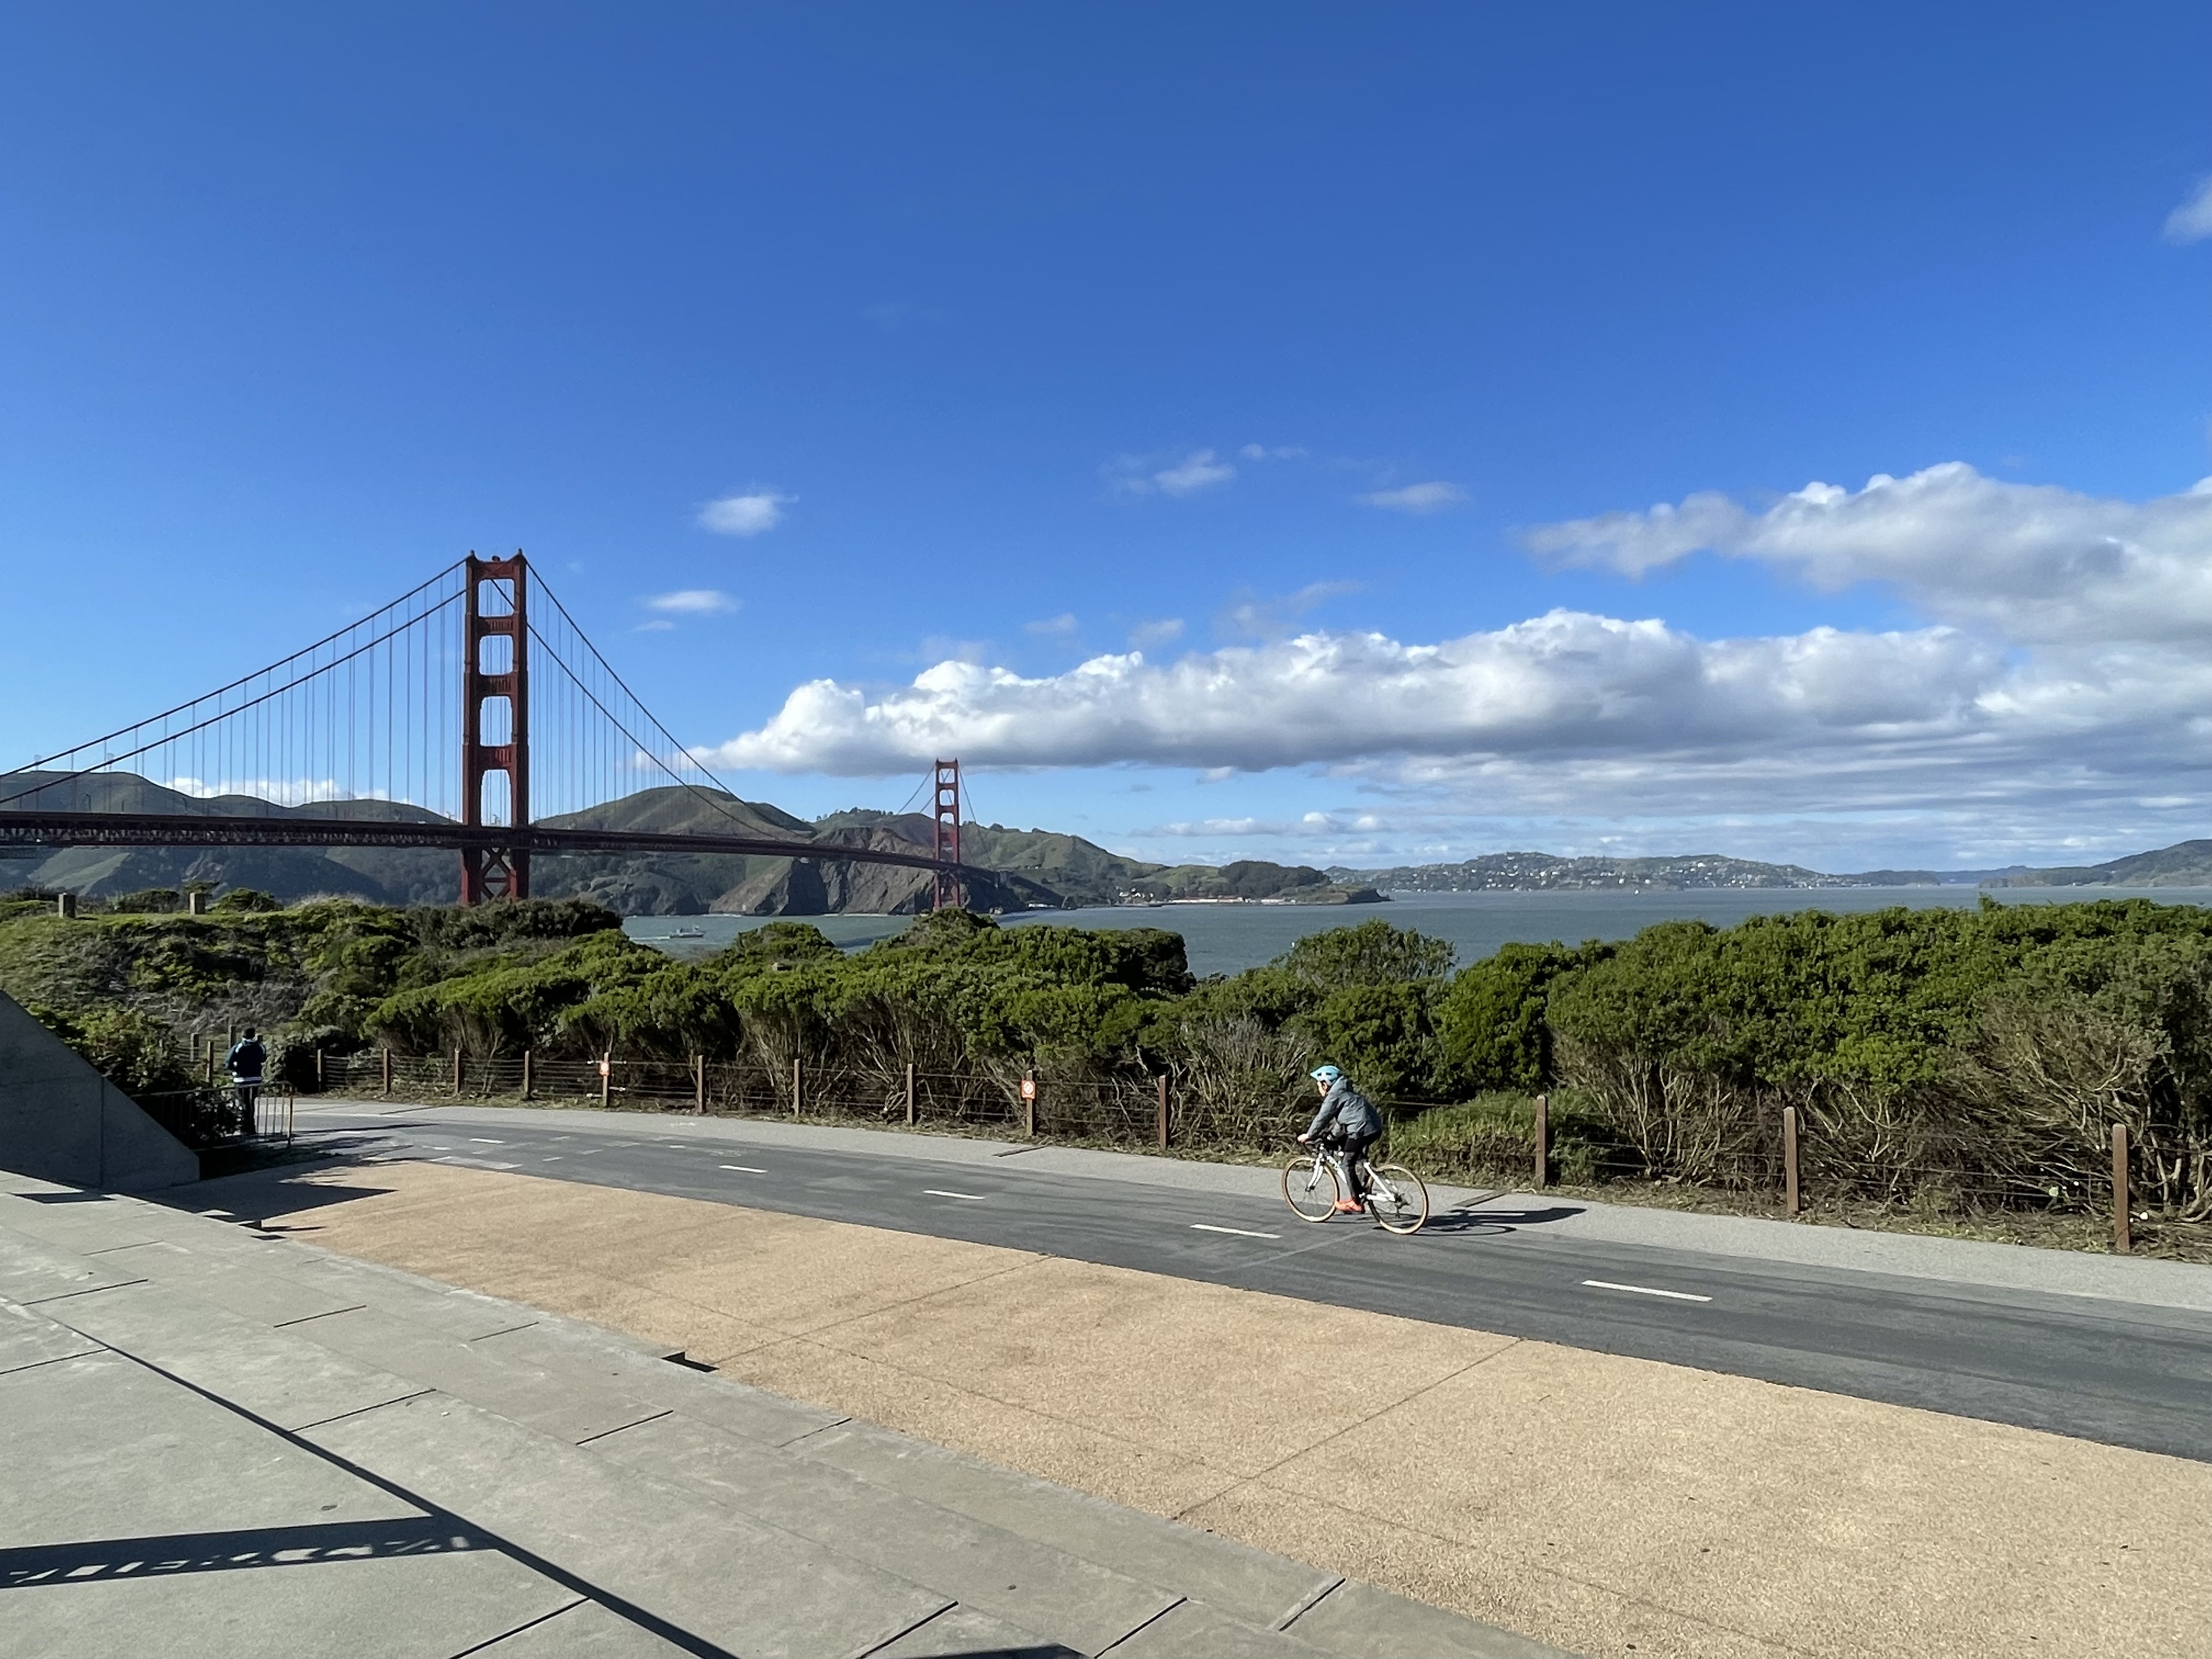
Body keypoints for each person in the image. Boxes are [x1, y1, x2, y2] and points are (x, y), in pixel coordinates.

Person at [1298, 1063, 1381, 1214]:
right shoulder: (1345, 1092)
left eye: (1318, 1084)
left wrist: (1309, 1135)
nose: (1318, 1088)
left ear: (1325, 1084)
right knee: (1353, 1155)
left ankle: (1356, 1202)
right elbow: (1343, 1121)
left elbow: (1322, 1117)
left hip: (1360, 1129)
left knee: (1346, 1164)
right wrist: (1330, 1137)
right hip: (1373, 1128)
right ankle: (1363, 1186)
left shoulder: (1334, 1096)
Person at [224, 1027, 267, 1135]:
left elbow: (229, 1062)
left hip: (242, 1079)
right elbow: (263, 1058)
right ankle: (252, 1127)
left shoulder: (240, 1046)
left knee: (244, 1103)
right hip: (256, 1078)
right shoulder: (260, 1046)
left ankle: (245, 1127)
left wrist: (234, 1070)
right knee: (251, 1103)